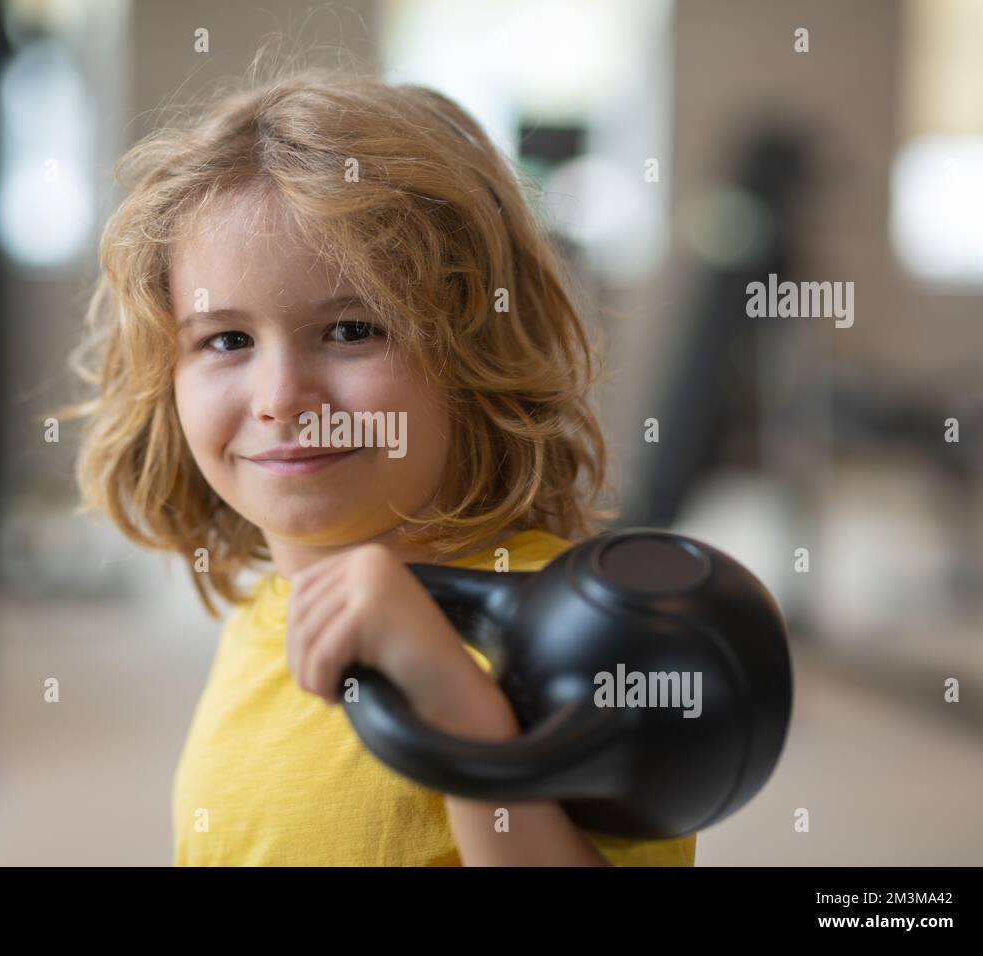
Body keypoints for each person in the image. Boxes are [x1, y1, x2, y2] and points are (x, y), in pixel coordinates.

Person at [66, 60, 697, 867]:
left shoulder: (586, 634)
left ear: (474, 348)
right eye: (228, 340)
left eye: (353, 330)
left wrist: (456, 706)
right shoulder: (270, 613)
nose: (282, 398)